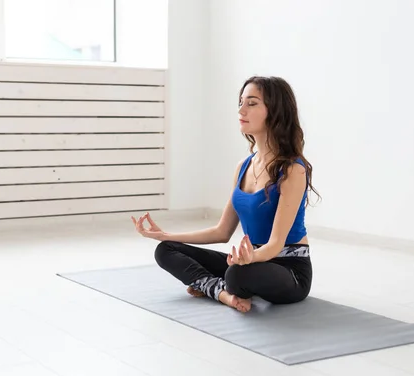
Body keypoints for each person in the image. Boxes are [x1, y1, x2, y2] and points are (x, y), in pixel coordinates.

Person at [131, 76, 320, 313]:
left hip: (288, 270)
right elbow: (221, 232)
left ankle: (216, 287)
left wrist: (247, 260)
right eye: (240, 102)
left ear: (275, 111)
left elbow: (274, 246)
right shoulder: (244, 166)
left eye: (252, 103)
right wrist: (165, 235)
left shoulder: (292, 169)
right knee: (166, 250)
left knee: (237, 274)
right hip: (249, 261)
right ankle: (223, 294)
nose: (241, 110)